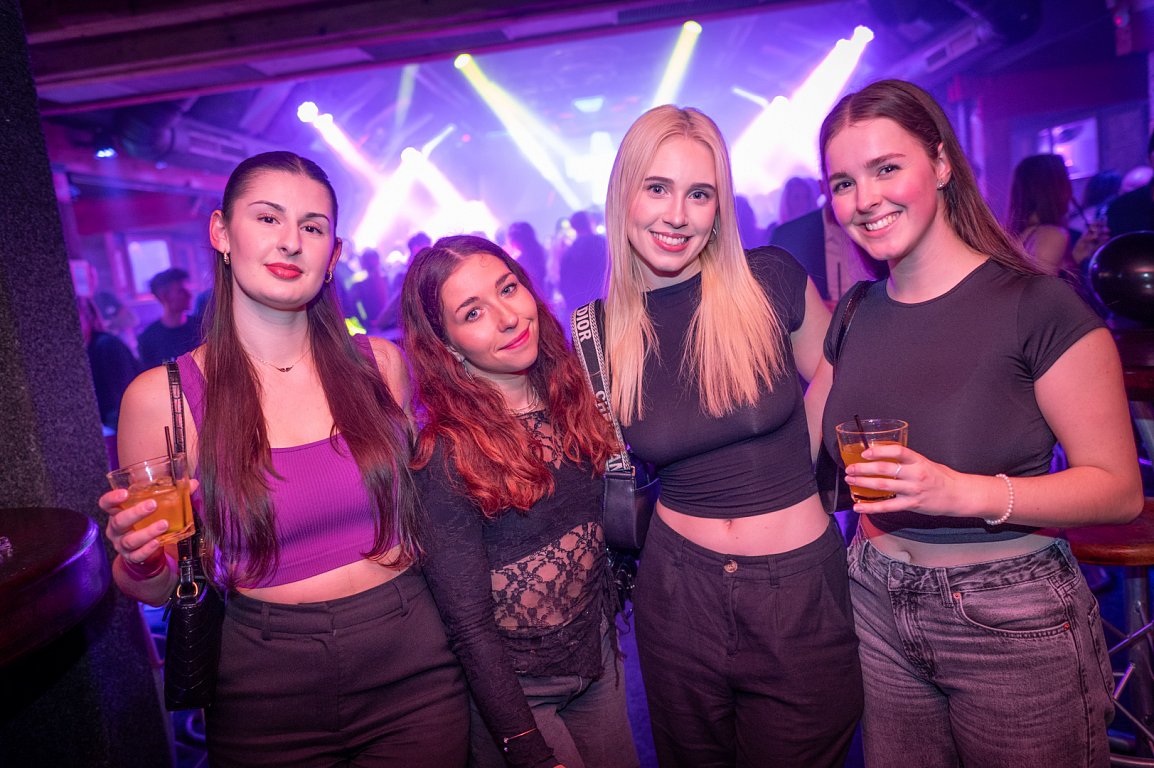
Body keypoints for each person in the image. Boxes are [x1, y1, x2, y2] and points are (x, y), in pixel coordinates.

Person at [99, 151, 469, 766]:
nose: (291, 241)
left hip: (414, 666)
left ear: (334, 254)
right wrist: (141, 561)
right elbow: (160, 587)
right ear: (221, 233)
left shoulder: (379, 366)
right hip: (263, 686)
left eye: (312, 226)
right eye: (268, 218)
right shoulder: (161, 398)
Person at [814, 79, 1143, 767]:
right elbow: (805, 457)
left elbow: (1117, 489)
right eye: (844, 182)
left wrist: (960, 491)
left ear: (940, 164)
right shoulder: (855, 312)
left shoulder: (1036, 305)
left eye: (886, 168)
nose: (865, 199)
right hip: (874, 599)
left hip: (1010, 614)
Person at [599, 105, 859, 767]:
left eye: (699, 194)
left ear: (720, 208)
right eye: (657, 188)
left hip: (798, 590)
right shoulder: (600, 331)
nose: (677, 215)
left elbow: (843, 371)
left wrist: (803, 458)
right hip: (676, 594)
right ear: (624, 193)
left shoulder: (768, 280)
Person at [402, 235, 638, 768]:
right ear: (446, 345)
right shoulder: (448, 452)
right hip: (519, 692)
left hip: (598, 657)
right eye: (473, 312)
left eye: (508, 289)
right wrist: (525, 745)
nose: (508, 318)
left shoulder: (575, 395)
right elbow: (468, 626)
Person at [77, 296, 140, 432]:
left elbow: (124, 396)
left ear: (88, 317)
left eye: (76, 317)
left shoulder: (107, 345)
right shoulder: (84, 350)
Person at [137, 267, 200, 368]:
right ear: (165, 296)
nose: (189, 295)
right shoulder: (149, 338)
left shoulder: (202, 326)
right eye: (181, 291)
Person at [558, 210, 609, 315]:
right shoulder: (603, 243)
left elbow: (564, 284)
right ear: (590, 222)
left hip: (583, 307)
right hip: (605, 299)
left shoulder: (570, 252)